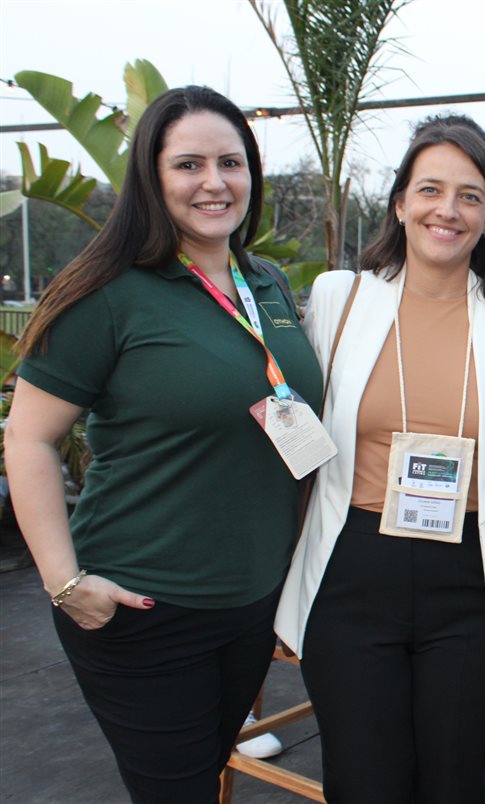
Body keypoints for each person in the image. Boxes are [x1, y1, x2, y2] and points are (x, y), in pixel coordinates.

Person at [4, 85, 322, 803]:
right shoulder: (107, 293)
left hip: (248, 603)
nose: (214, 182)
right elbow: (27, 437)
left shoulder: (264, 282)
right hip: (142, 604)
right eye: (189, 165)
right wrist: (65, 583)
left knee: (202, 776)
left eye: (231, 163)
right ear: (151, 177)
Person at [274, 113, 485, 803]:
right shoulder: (339, 299)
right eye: (430, 189)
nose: (448, 210)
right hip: (353, 570)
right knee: (364, 781)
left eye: (470, 196)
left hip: (469, 579)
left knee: (453, 782)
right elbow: (296, 428)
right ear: (400, 202)